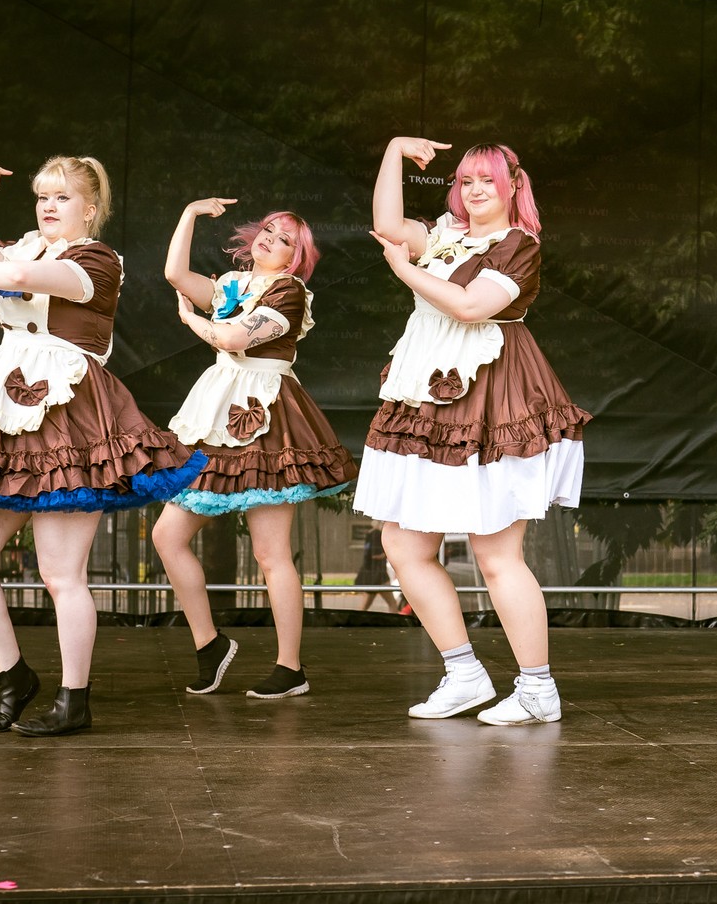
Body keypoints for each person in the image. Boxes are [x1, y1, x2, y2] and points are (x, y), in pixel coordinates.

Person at [0, 156, 205, 736]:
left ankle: (75, 700)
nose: (48, 206)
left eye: (62, 197)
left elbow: (20, 278)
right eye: (42, 196)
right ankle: (13, 677)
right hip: (7, 412)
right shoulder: (28, 247)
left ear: (90, 209)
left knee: (60, 573)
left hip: (70, 415)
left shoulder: (97, 261)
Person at [353, 138, 591, 724]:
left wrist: (405, 270)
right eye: (465, 180)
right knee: (404, 546)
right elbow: (387, 224)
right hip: (426, 394)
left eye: (488, 179)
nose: (475, 189)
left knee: (496, 553)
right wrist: (393, 151)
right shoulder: (445, 233)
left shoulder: (518, 245)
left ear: (514, 185)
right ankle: (463, 673)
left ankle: (537, 690)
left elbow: (468, 306)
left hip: (493, 394)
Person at [150, 200, 356, 700]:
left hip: (264, 413)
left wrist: (190, 321)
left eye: (285, 239)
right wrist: (189, 213)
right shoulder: (232, 284)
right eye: (268, 230)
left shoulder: (290, 293)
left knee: (269, 552)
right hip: (216, 412)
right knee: (167, 536)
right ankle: (209, 644)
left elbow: (231, 337)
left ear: (295, 258)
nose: (270, 239)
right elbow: (175, 274)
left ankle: (290, 667)